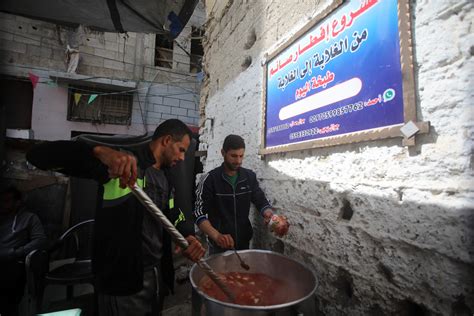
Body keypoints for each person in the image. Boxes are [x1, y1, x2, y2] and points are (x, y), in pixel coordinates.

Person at [27, 119, 205, 315]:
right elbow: (38, 156)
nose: (182, 158)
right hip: (123, 282)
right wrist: (99, 151)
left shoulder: (166, 177)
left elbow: (169, 219)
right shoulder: (122, 164)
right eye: (181, 149)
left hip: (156, 275)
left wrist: (184, 237)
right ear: (167, 140)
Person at [193, 134, 289, 255]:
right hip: (218, 246)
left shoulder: (249, 177)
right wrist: (217, 236)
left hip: (244, 242)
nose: (238, 161)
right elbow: (198, 213)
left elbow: (260, 200)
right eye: (233, 156)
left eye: (241, 156)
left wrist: (270, 215)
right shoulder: (210, 179)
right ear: (223, 153)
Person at [0, 186, 47, 316]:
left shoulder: (29, 218)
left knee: (9, 289)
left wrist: (15, 252)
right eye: (1, 200)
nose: (3, 204)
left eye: (7, 201)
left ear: (18, 202)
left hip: (14, 261)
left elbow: (40, 241)